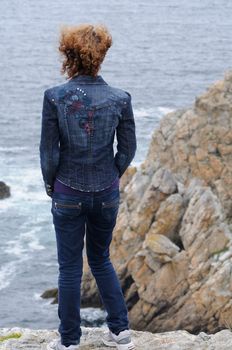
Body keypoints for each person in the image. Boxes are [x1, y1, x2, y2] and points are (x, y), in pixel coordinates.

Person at [39, 23, 137, 350]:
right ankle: (120, 332)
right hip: (106, 192)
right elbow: (127, 149)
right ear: (101, 55)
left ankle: (69, 342)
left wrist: (51, 186)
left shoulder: (54, 97)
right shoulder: (121, 99)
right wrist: (112, 174)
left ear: (69, 54)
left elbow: (49, 152)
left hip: (68, 190)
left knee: (69, 268)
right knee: (100, 259)